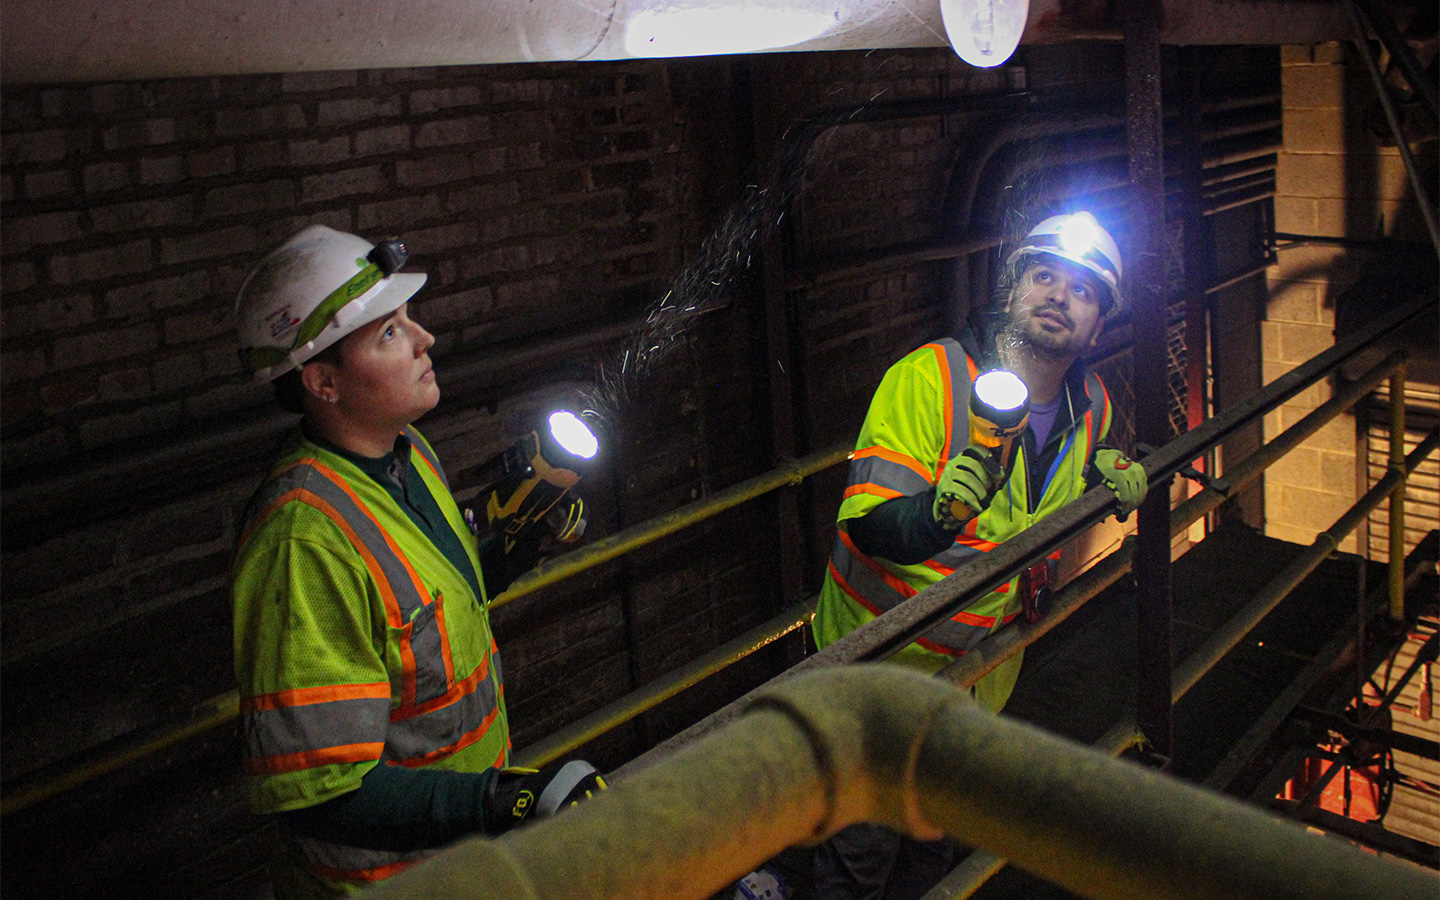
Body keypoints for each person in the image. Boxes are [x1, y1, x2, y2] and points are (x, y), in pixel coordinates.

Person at [230, 225, 602, 899]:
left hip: (461, 867)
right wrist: (501, 803)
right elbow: (321, 795)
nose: (425, 339)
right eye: (389, 334)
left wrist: (516, 547)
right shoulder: (303, 541)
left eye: (407, 320)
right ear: (323, 381)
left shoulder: (407, 456)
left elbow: (426, 620)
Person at [810, 211, 1147, 900]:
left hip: (978, 687)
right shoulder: (928, 378)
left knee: (932, 863)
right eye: (1043, 276)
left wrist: (1107, 476)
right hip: (877, 680)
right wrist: (935, 514)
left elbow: (1041, 506)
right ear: (1012, 289)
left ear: (1097, 326)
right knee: (856, 865)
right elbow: (872, 528)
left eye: (1082, 290)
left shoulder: (1094, 408)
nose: (1058, 295)